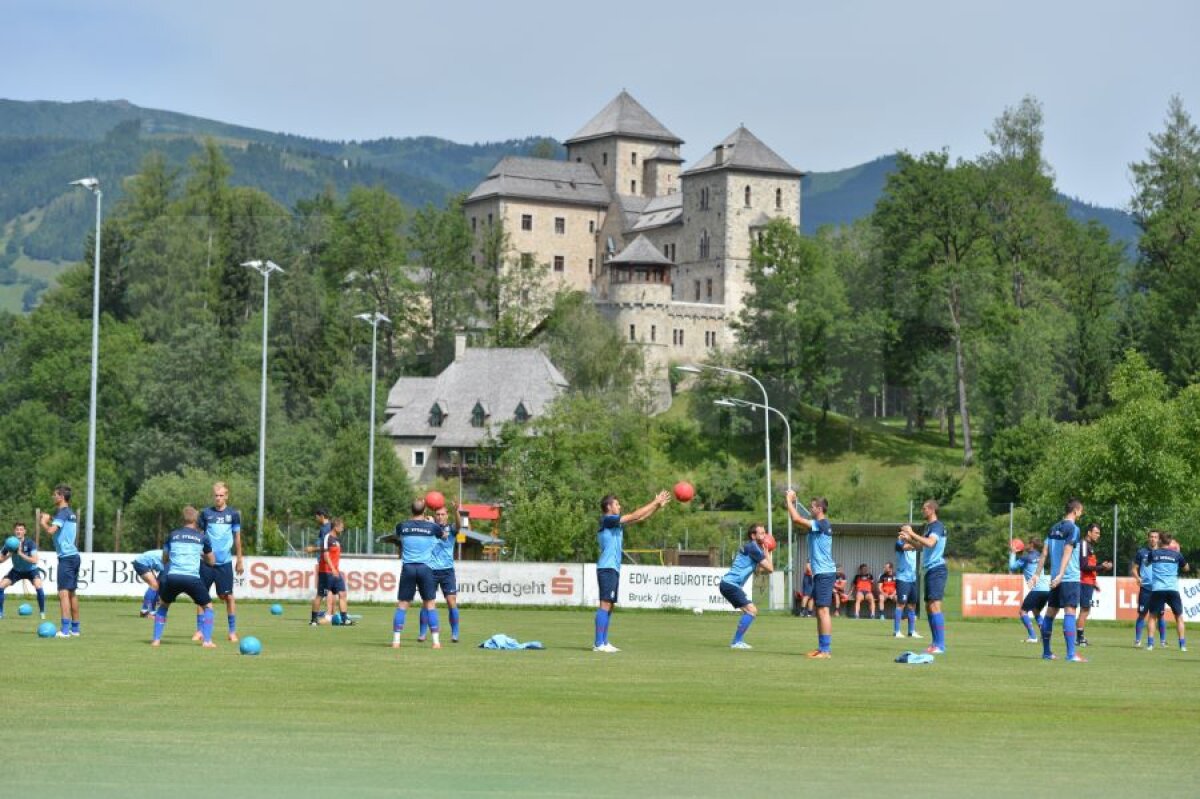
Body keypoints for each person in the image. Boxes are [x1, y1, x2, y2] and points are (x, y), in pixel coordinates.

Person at [593, 490, 671, 653]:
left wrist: (656, 506)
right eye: (616, 503)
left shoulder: (615, 523)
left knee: (610, 605)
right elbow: (635, 515)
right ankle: (598, 643)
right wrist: (654, 501)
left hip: (613, 568)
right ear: (609, 506)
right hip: (606, 568)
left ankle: (604, 642)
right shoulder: (607, 520)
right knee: (605, 604)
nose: (619, 506)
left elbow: (641, 518)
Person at [152, 506, 217, 648]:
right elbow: (212, 561)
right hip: (192, 578)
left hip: (173, 577)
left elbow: (164, 558)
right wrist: (202, 557)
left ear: (183, 519)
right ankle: (207, 641)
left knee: (163, 605)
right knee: (208, 607)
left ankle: (156, 640)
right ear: (196, 520)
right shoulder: (202, 537)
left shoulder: (172, 535)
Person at [391, 498, 450, 649]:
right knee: (430, 604)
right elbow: (444, 536)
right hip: (425, 568)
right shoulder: (432, 528)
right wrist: (431, 523)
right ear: (424, 511)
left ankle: (396, 641)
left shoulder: (402, 526)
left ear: (411, 510)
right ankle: (436, 642)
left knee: (403, 604)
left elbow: (398, 537)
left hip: (408, 568)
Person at [1033, 498, 1085, 662]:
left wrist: (1036, 574)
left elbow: (1044, 553)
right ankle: (1071, 654)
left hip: (1055, 576)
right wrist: (1062, 574)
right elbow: (1068, 551)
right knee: (1070, 611)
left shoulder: (1053, 528)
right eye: (1081, 511)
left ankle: (1047, 652)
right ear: (1076, 511)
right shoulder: (1074, 529)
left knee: (1050, 613)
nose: (1081, 514)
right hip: (1068, 577)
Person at [785, 489, 835, 659]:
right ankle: (822, 648)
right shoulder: (818, 525)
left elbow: (797, 519)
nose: (810, 509)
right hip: (820, 574)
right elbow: (801, 519)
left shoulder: (822, 524)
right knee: (818, 612)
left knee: (823, 611)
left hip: (825, 573)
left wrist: (789, 501)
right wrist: (793, 503)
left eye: (812, 507)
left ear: (819, 509)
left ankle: (826, 651)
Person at [197, 482, 243, 642]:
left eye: (221, 495)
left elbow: (237, 538)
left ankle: (232, 632)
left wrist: (239, 560)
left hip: (225, 563)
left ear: (227, 496)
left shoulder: (233, 515)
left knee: (228, 597)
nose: (218, 498)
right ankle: (200, 630)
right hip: (207, 562)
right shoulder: (205, 513)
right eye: (216, 495)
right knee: (201, 596)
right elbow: (199, 536)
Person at [899, 499, 947, 655]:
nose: (922, 511)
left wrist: (911, 533)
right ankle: (935, 643)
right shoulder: (929, 527)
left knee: (934, 606)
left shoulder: (937, 526)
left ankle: (940, 645)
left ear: (932, 510)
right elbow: (922, 546)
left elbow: (931, 543)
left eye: (925, 508)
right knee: (928, 606)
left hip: (937, 569)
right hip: (930, 570)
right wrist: (909, 541)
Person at [719, 523, 773, 649]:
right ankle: (736, 642)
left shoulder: (753, 548)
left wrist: (764, 554)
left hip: (728, 584)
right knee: (752, 610)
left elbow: (758, 571)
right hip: (730, 584)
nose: (765, 536)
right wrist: (768, 553)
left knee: (750, 612)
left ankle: (738, 641)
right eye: (761, 533)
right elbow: (770, 569)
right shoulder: (753, 548)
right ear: (753, 536)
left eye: (765, 533)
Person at [39, 484, 80, 638]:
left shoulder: (62, 513)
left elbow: (51, 531)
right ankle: (75, 629)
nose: (53, 497)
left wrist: (43, 521)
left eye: (55, 494)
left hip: (67, 558)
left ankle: (64, 631)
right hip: (74, 557)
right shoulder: (70, 513)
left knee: (63, 593)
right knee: (72, 594)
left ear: (61, 497)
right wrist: (51, 519)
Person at [420, 506, 460, 643]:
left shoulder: (452, 529)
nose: (440, 516)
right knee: (427, 603)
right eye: (438, 514)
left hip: (447, 571)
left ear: (447, 516)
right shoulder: (429, 528)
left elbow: (459, 526)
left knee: (451, 601)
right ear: (435, 515)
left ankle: (455, 634)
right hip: (430, 570)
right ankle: (422, 633)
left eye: (443, 514)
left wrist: (457, 512)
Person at [1146, 533, 1190, 652]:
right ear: (1170, 542)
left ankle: (1150, 644)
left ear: (1160, 541)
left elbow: (1146, 564)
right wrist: (1178, 554)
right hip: (1172, 589)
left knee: (1152, 616)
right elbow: (1186, 568)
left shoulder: (1153, 553)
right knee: (1179, 617)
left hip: (1157, 589)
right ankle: (1182, 645)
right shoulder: (1177, 555)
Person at [0, 523, 46, 619]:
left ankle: (42, 612)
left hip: (31, 570)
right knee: (1, 586)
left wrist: (20, 554)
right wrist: (10, 554)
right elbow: (0, 560)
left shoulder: (30, 543)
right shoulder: (9, 543)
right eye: (17, 529)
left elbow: (35, 560)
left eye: (21, 529)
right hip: (16, 570)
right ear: (14, 531)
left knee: (39, 586)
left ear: (24, 532)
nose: (19, 531)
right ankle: (0, 613)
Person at [1076, 522, 1111, 647]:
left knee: (1085, 609)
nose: (1098, 535)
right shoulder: (1084, 545)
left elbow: (1088, 566)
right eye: (1096, 533)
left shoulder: (1089, 546)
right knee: (1084, 609)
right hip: (1083, 582)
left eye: (1099, 533)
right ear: (1089, 532)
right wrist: (1102, 566)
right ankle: (1079, 639)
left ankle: (1079, 637)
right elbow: (1084, 566)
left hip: (1088, 582)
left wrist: (1094, 581)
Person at [1009, 537, 1049, 643]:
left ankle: (1032, 636)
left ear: (1032, 545)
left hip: (1037, 590)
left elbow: (1012, 567)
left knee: (1023, 612)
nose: (1026, 545)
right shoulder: (1040, 556)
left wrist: (1013, 553)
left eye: (1028, 543)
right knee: (1036, 611)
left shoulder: (1026, 558)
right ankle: (1045, 636)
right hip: (1046, 590)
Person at [1132, 530, 1167, 648]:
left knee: (1161, 615)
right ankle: (1137, 640)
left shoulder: (1162, 553)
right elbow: (1134, 569)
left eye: (1155, 537)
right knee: (1142, 614)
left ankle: (1163, 641)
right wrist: (1137, 578)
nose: (1153, 539)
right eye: (1151, 537)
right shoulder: (1141, 552)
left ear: (1158, 539)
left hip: (1159, 589)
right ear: (1148, 538)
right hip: (1145, 589)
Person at [308, 507, 333, 626]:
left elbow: (327, 547)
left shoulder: (326, 529)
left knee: (324, 591)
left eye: (316, 516)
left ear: (321, 516)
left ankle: (328, 615)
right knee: (329, 590)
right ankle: (329, 614)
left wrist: (313, 549)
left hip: (326, 563)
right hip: (326, 562)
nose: (315, 518)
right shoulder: (326, 528)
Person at [894, 531, 920, 639]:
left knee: (912, 605)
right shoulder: (899, 544)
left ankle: (911, 631)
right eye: (901, 533)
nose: (903, 535)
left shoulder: (913, 544)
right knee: (901, 604)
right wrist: (912, 540)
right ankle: (897, 631)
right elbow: (908, 547)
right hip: (902, 579)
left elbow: (918, 546)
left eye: (906, 533)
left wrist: (914, 540)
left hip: (912, 579)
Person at [132, 549, 165, 617]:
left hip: (145, 563)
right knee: (154, 585)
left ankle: (152, 611)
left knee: (157, 586)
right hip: (140, 563)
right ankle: (144, 611)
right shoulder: (171, 561)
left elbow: (161, 580)